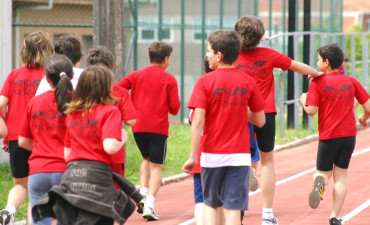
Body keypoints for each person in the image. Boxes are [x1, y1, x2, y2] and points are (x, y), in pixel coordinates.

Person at [234, 15, 321, 225]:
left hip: (238, 114)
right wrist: (317, 73)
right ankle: (266, 214)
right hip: (265, 114)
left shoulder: (231, 57)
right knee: (268, 163)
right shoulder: (268, 54)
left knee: (237, 162)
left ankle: (237, 212)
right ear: (260, 36)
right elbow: (295, 65)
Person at [182, 30, 266, 225]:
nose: (207, 55)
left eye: (209, 51)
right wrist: (239, 105)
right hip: (239, 156)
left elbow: (197, 121)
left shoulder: (204, 81)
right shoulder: (248, 81)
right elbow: (260, 121)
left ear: (219, 56)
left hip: (212, 155)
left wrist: (193, 156)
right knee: (233, 210)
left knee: (211, 205)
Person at [31, 65, 132, 225]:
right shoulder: (109, 111)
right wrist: (123, 137)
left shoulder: (72, 112)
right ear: (106, 87)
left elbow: (67, 154)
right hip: (97, 178)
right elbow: (110, 146)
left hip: (72, 178)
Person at [299, 43, 370, 225]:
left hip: (329, 136)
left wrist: (303, 99)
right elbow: (368, 106)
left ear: (326, 62)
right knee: (341, 176)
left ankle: (320, 183)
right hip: (348, 137)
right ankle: (335, 217)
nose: (316, 63)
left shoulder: (317, 82)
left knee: (322, 172)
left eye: (318, 60)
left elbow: (312, 111)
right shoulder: (351, 81)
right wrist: (364, 116)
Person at [116, 41, 180, 221]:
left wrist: (128, 105)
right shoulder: (169, 79)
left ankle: (142, 196)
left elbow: (118, 88)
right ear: (166, 59)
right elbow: (175, 108)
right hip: (158, 128)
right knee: (157, 165)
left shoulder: (136, 75)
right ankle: (150, 204)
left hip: (138, 126)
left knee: (146, 159)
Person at [0, 31, 54, 225]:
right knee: (39, 189)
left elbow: (1, 102)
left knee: (20, 185)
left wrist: (5, 130)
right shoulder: (49, 76)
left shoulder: (14, 74)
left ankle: (9, 209)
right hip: (40, 139)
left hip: (16, 137)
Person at [18, 54, 74, 225]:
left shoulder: (35, 103)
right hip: (66, 170)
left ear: (47, 79)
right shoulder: (76, 103)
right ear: (70, 76)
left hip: (38, 171)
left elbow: (22, 141)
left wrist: (42, 149)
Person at [86, 46, 136, 180]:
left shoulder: (81, 92)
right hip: (113, 152)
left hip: (86, 152)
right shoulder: (120, 93)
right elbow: (131, 121)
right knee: (115, 193)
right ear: (112, 68)